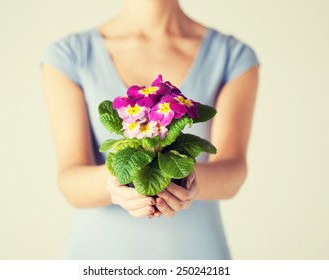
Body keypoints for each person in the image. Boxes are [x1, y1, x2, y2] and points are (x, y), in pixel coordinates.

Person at [41, 0, 259, 259]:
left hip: (195, 256)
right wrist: (116, 182)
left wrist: (188, 181)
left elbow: (232, 171)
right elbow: (70, 182)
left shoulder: (232, 56)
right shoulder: (70, 55)